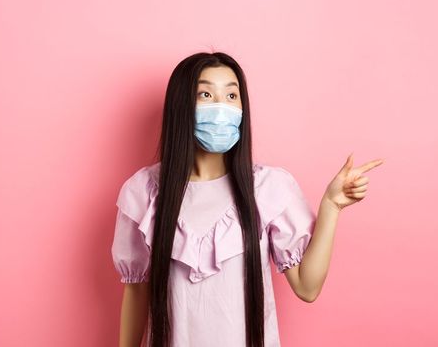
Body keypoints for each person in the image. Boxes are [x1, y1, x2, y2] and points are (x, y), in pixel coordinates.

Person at [111, 52, 384, 347]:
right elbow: (136, 294)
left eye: (231, 95)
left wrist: (331, 206)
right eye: (205, 94)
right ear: (181, 106)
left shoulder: (269, 188)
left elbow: (307, 286)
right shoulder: (143, 193)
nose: (221, 108)